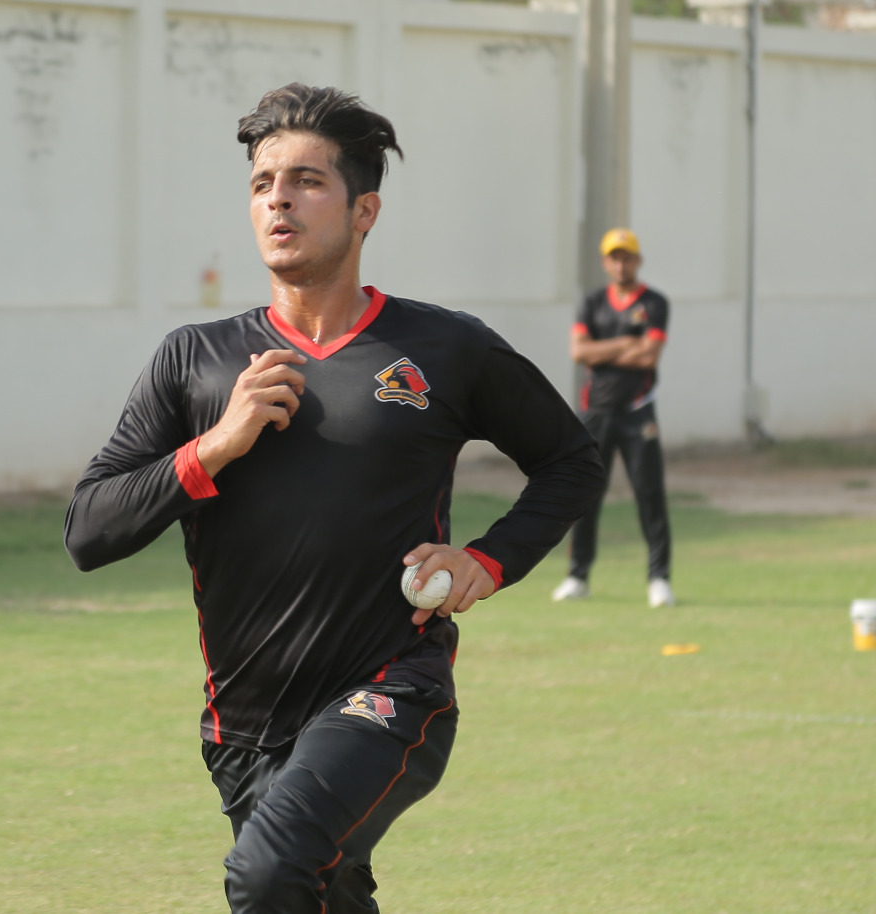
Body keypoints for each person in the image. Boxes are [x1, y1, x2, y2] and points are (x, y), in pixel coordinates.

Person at [64, 83, 605, 914]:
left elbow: (571, 460)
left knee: (268, 875)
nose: (278, 197)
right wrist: (217, 445)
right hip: (240, 724)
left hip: (391, 688)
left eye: (307, 180)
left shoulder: (443, 347)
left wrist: (486, 562)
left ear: (365, 211)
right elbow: (88, 531)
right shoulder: (197, 361)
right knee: (320, 894)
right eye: (261, 182)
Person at [551, 227, 675, 608]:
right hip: (595, 412)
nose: (621, 264)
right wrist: (625, 343)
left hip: (638, 412)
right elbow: (578, 351)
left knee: (649, 494)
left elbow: (649, 356)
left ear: (637, 260)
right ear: (606, 262)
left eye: (627, 257)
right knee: (585, 495)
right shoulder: (592, 303)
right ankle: (577, 575)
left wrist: (601, 351)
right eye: (614, 257)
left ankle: (659, 579)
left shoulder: (654, 303)